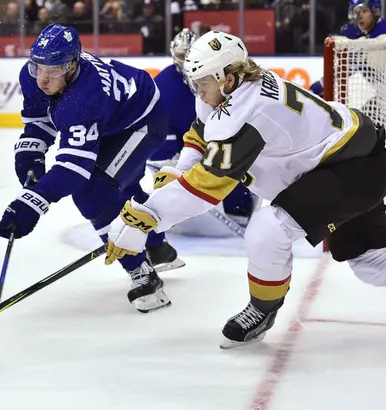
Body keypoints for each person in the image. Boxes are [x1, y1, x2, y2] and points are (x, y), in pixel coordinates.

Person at [105, 30, 386, 347]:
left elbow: (207, 188)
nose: (198, 92)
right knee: (373, 266)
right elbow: (202, 132)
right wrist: (181, 171)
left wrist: (146, 218)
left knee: (268, 229)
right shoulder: (232, 90)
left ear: (225, 77)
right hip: (346, 157)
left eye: (202, 83)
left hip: (351, 167)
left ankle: (261, 310)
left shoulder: (251, 110)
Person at [0, 23, 184, 313]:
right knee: (122, 186)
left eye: (54, 70)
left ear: (72, 65)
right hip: (113, 119)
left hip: (142, 121)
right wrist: (30, 157)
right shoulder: (33, 76)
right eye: (38, 67)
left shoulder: (84, 97)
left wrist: (34, 201)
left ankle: (143, 273)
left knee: (95, 192)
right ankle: (158, 246)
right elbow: (39, 119)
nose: (43, 80)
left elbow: (74, 168)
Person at [150, 28, 258, 236]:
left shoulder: (234, 87)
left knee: (234, 163)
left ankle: (239, 206)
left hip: (223, 139)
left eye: (188, 55)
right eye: (181, 55)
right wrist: (174, 157)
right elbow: (165, 123)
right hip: (184, 142)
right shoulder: (165, 82)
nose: (185, 62)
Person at [310, 0, 386, 97]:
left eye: (363, 11)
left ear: (376, 11)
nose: (359, 17)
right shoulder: (353, 35)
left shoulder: (383, 30)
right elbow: (346, 68)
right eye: (356, 12)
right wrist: (321, 86)